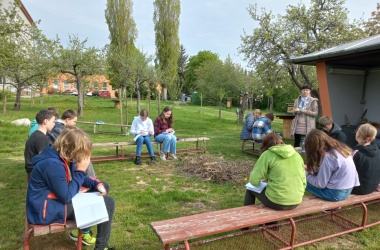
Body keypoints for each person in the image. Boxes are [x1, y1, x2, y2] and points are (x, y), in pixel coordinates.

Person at [26, 127, 115, 250]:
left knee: (105, 185)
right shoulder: (52, 165)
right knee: (109, 202)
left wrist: (97, 184)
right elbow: (65, 196)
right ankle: (101, 247)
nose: (84, 156)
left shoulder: (63, 156)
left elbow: (80, 179)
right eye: (82, 152)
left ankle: (85, 231)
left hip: (54, 201)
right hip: (45, 210)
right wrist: (80, 171)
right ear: (73, 149)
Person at [244, 133, 306, 211]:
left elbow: (254, 181)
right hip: (296, 200)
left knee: (250, 188)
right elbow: (303, 181)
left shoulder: (267, 154)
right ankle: (270, 222)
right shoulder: (297, 155)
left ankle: (247, 214)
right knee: (272, 193)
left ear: (265, 145)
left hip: (277, 201)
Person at [305, 129, 359, 201]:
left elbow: (320, 184)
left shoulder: (330, 156)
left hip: (335, 194)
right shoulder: (341, 149)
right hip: (348, 190)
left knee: (301, 180)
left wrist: (305, 174)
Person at [46, 109, 96, 178]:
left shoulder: (59, 126)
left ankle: (90, 179)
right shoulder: (58, 128)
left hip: (59, 154)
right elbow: (66, 144)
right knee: (82, 157)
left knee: (83, 156)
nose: (74, 124)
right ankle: (91, 178)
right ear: (68, 119)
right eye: (74, 121)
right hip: (55, 155)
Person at [24, 110, 57, 174]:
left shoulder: (36, 135)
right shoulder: (41, 138)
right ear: (46, 121)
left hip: (33, 168)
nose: (54, 124)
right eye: (53, 121)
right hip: (35, 169)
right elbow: (44, 158)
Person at [351, 124, 380, 195]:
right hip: (374, 186)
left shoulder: (356, 153)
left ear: (358, 134)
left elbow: (347, 173)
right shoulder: (378, 151)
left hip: (358, 188)